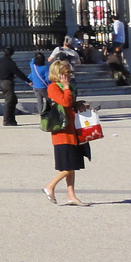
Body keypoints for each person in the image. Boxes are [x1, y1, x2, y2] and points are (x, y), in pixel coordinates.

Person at [43, 60, 90, 207]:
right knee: (69, 166)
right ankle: (50, 186)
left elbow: (70, 104)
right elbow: (64, 102)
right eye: (68, 72)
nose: (70, 75)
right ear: (60, 74)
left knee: (72, 166)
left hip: (73, 129)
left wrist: (79, 104)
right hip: (62, 132)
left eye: (70, 72)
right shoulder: (53, 87)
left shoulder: (66, 87)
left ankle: (71, 195)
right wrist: (66, 87)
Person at [0, 48, 24, 126]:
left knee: (13, 100)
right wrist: (28, 80)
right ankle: (7, 120)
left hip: (1, 81)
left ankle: (12, 119)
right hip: (7, 82)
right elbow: (18, 72)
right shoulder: (10, 62)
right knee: (9, 101)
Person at [28, 51, 50, 116]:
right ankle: (48, 111)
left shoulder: (33, 65)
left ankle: (41, 113)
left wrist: (35, 56)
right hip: (43, 87)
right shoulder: (44, 68)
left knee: (39, 101)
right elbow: (47, 78)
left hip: (35, 86)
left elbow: (32, 60)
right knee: (48, 100)